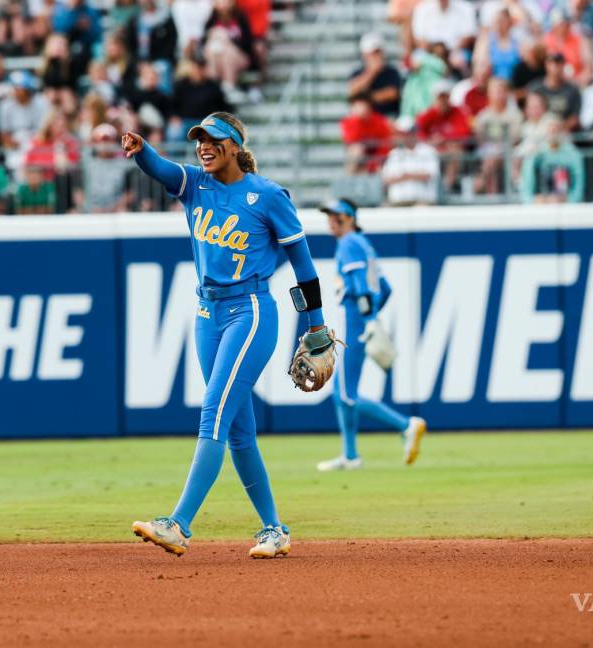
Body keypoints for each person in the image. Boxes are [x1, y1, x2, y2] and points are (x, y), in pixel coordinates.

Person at [122, 111, 338, 559]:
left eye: (214, 140)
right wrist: (142, 151)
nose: (204, 146)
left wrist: (316, 324)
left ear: (235, 147)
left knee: (214, 412)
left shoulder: (267, 195)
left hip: (251, 311)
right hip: (208, 313)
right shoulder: (193, 185)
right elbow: (161, 168)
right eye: (199, 139)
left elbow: (304, 265)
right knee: (239, 431)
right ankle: (274, 529)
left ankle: (178, 524)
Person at [316, 198, 427, 472]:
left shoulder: (349, 243)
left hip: (357, 321)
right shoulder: (363, 243)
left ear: (349, 218)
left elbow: (358, 286)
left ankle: (406, 425)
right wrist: (375, 318)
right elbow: (385, 288)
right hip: (363, 320)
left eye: (336, 215)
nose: (331, 220)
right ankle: (350, 456)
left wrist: (367, 320)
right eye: (328, 215)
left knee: (347, 395)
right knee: (341, 392)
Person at [519, 115, 583, 203]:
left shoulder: (573, 154)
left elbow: (579, 182)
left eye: (557, 130)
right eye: (551, 130)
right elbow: (526, 180)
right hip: (541, 202)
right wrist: (532, 201)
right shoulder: (536, 153)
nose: (554, 133)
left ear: (562, 132)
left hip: (564, 201)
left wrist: (571, 200)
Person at [381, 117, 440, 206]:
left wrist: (405, 176)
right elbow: (387, 179)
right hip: (397, 202)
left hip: (423, 201)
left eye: (407, 133)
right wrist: (412, 176)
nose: (405, 136)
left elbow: (430, 175)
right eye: (402, 134)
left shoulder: (428, 151)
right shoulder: (394, 154)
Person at [348, 33, 403, 117]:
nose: (375, 56)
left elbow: (393, 93)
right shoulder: (357, 72)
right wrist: (372, 72)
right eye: (372, 53)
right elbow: (353, 91)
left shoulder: (391, 72)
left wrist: (366, 98)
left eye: (377, 52)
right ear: (364, 55)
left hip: (388, 117)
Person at [340, 93, 394, 174]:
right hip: (359, 159)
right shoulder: (348, 122)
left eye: (363, 105)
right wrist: (357, 120)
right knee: (356, 150)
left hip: (376, 159)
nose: (361, 108)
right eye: (357, 106)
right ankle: (349, 179)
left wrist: (374, 164)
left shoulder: (379, 121)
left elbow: (384, 145)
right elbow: (352, 141)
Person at [527, 52, 581, 131]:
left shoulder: (572, 90)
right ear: (546, 65)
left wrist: (558, 128)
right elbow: (529, 112)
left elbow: (575, 118)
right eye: (551, 63)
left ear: (563, 65)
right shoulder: (536, 88)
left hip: (564, 133)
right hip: (539, 131)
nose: (555, 66)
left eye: (558, 63)